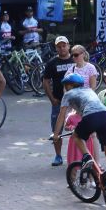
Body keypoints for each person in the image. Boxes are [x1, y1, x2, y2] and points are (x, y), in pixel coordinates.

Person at [52, 72, 106, 179]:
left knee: (76, 136)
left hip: (91, 117)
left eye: (65, 85)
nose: (65, 88)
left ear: (70, 85)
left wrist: (56, 134)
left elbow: (61, 115)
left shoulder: (68, 94)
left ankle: (87, 156)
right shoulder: (89, 90)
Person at [41, 37, 77, 165]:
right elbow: (45, 81)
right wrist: (52, 99)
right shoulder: (52, 63)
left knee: (77, 129)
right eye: (59, 46)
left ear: (68, 46)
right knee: (57, 130)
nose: (62, 48)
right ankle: (58, 156)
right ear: (56, 48)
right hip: (59, 101)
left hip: (76, 102)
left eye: (64, 45)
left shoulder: (75, 59)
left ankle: (78, 156)